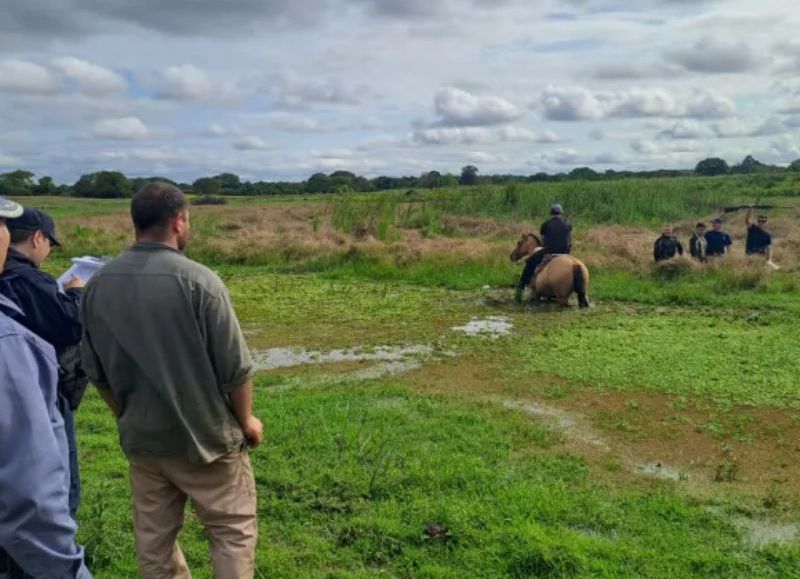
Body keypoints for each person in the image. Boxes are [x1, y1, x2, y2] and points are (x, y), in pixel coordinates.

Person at [80, 182, 263, 578]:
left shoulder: (96, 286)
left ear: (136, 223)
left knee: (154, 542)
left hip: (145, 442)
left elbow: (96, 373)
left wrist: (126, 413)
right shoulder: (200, 281)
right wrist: (246, 420)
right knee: (231, 531)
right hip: (208, 440)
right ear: (179, 220)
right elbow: (236, 369)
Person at [0, 197, 92, 579]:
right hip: (39, 400)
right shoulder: (29, 280)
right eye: (49, 244)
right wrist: (75, 293)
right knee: (58, 482)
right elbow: (69, 326)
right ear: (36, 238)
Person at [516, 203, 572, 301]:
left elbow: (543, 242)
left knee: (530, 262)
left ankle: (521, 287)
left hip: (549, 251)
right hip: (565, 253)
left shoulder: (545, 225)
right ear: (561, 213)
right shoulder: (568, 225)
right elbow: (569, 240)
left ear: (551, 213)